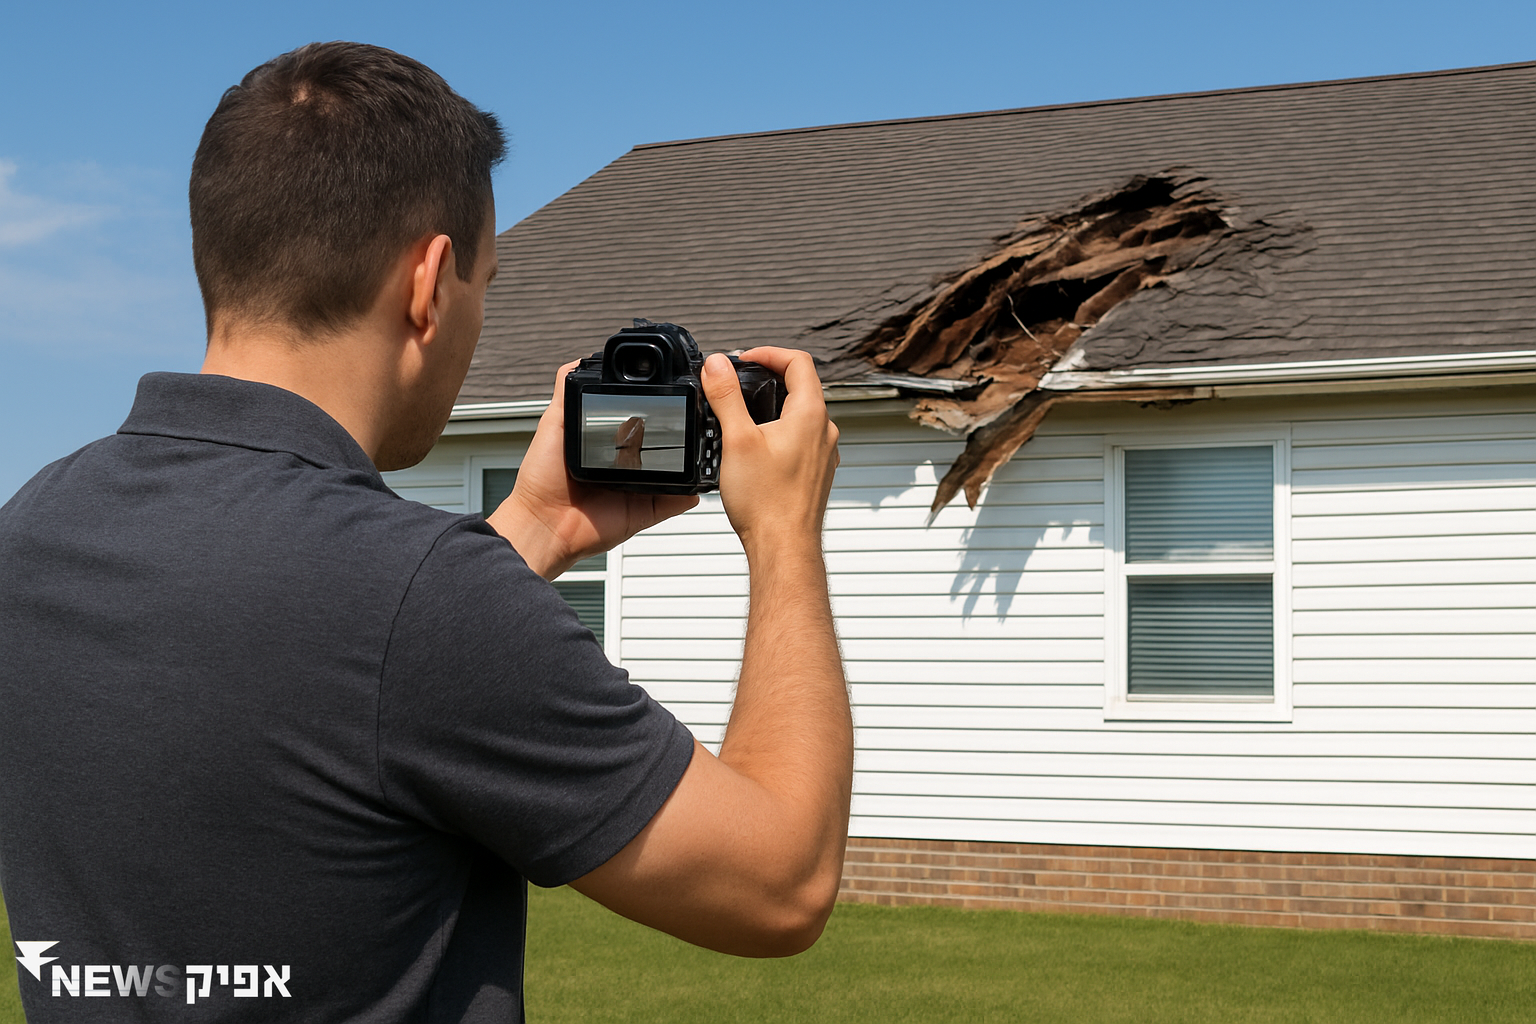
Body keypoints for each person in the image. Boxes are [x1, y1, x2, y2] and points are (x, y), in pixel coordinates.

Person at [0, 41, 850, 1022]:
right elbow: (781, 883)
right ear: (430, 281)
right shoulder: (423, 598)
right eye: (486, 281)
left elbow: (312, 683)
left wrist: (533, 527)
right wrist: (784, 534)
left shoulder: (31, 534)